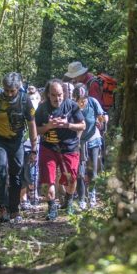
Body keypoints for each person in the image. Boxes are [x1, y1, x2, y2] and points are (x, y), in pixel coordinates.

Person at [0, 72, 37, 225]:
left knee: (16, 174)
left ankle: (14, 208)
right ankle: (3, 208)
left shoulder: (25, 101)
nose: (9, 94)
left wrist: (34, 148)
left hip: (17, 141)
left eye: (12, 91)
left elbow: (32, 124)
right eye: (7, 90)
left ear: (18, 88)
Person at [35, 79, 84, 221]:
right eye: (54, 95)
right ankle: (51, 207)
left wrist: (67, 125)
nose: (57, 98)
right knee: (47, 179)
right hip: (48, 147)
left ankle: (68, 202)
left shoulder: (72, 106)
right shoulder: (42, 109)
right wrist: (48, 126)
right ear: (48, 95)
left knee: (71, 178)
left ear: (64, 93)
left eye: (60, 94)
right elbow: (36, 130)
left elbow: (83, 125)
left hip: (69, 147)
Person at [72, 83, 106, 209]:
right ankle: (81, 198)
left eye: (83, 99)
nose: (82, 102)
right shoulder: (72, 106)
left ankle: (92, 194)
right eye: (79, 99)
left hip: (93, 138)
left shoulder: (93, 102)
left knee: (92, 169)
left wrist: (102, 121)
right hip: (78, 142)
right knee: (80, 171)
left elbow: (101, 116)